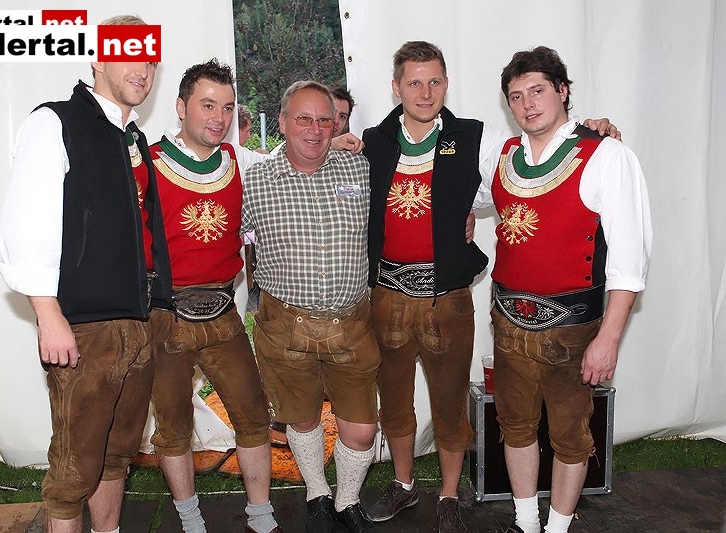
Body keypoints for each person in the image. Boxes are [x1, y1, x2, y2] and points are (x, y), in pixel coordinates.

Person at [361, 41, 617, 532]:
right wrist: (338, 142)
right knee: (393, 401)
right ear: (396, 87)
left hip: (448, 299)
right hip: (387, 296)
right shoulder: (373, 140)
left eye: (435, 81)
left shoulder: (478, 138)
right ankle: (403, 483)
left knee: (451, 402)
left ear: (447, 84)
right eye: (414, 82)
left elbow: (532, 157)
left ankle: (449, 496)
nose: (425, 92)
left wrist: (592, 129)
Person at [0, 15, 172, 533]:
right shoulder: (55, 122)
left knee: (117, 457)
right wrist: (48, 314)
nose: (143, 68)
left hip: (137, 324)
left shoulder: (132, 138)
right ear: (97, 58)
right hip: (85, 329)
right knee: (74, 471)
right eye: (129, 53)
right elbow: (25, 223)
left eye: (150, 58)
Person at [484, 46, 651, 533]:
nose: (527, 104)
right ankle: (525, 522)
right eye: (516, 96)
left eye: (538, 90)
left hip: (573, 328)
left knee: (570, 435)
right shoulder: (503, 155)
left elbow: (629, 262)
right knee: (514, 425)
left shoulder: (607, 155)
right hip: (507, 322)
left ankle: (557, 529)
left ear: (562, 91)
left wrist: (609, 338)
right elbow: (464, 196)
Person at [146, 59, 281, 533]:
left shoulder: (238, 160)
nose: (219, 118)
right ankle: (190, 520)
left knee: (252, 414)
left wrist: (334, 144)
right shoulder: (147, 163)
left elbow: (290, 164)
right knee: (173, 425)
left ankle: (260, 515)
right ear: (181, 107)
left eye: (227, 107)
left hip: (223, 311)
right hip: (165, 315)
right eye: (207, 105)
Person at [241, 80, 377, 533]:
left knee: (361, 429)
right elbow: (223, 234)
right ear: (282, 123)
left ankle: (347, 498)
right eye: (303, 118)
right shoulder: (255, 181)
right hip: (285, 324)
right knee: (301, 420)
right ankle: (318, 493)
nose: (315, 129)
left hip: (351, 323)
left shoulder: (361, 170)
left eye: (324, 119)